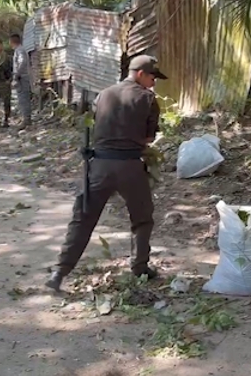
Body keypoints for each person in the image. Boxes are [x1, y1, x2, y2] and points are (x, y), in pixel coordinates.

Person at [45, 55, 168, 291]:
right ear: (140, 74)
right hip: (130, 166)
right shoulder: (147, 99)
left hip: (99, 166)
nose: (154, 82)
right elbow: (149, 137)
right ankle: (140, 267)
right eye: (152, 76)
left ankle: (59, 273)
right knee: (142, 219)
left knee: (82, 219)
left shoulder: (103, 94)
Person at [9, 33, 32, 129]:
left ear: (11, 41)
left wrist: (17, 74)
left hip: (22, 78)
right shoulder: (19, 50)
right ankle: (24, 118)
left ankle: (26, 120)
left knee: (23, 98)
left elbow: (23, 62)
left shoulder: (20, 50)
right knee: (21, 98)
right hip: (22, 77)